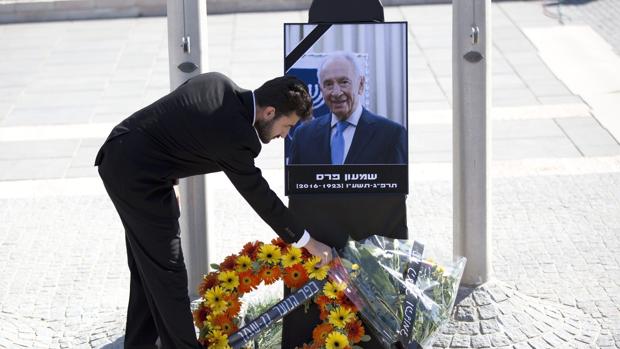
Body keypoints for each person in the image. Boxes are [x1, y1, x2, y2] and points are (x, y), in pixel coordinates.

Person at [94, 72, 333, 349]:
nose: (285, 135)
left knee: (148, 267)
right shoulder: (236, 135)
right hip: (135, 175)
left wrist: (170, 177)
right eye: (287, 125)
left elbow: (175, 121)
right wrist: (308, 242)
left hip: (129, 157)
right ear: (269, 112)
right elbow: (260, 196)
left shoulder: (218, 84)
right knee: (168, 271)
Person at [289, 51, 407, 165]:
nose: (336, 92)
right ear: (321, 89)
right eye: (329, 84)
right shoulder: (303, 136)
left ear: (360, 85)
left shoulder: (391, 135)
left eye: (344, 82)